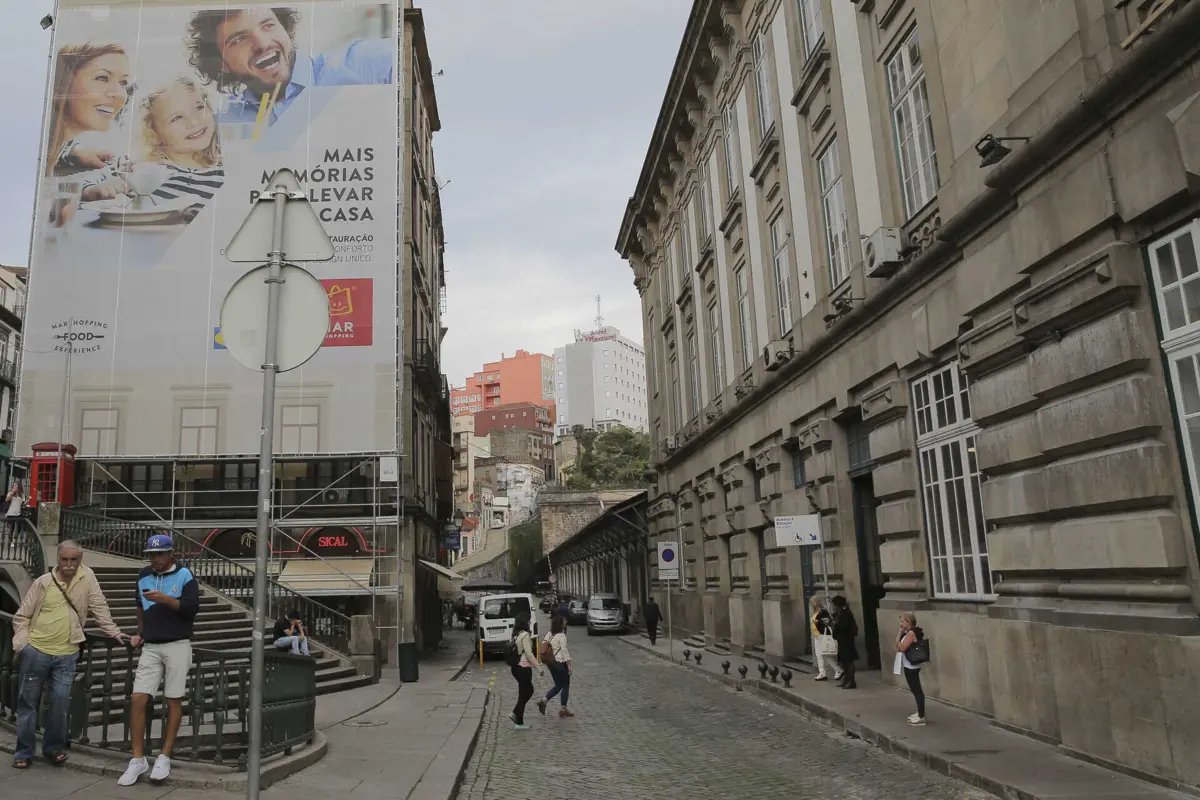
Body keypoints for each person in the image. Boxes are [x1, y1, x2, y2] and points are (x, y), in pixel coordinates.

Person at [11, 541, 127, 770]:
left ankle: (53, 748)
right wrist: (23, 645)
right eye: (65, 559)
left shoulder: (87, 578)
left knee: (60, 702)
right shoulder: (43, 583)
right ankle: (24, 752)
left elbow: (99, 606)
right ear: (58, 560)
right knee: (28, 704)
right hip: (37, 651)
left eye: (74, 560)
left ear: (80, 560)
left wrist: (113, 631)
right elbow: (21, 616)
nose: (69, 564)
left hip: (67, 654)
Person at [184, 8, 394, 129]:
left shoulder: (368, 63)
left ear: (287, 30)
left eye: (268, 25)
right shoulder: (222, 128)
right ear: (222, 64)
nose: (262, 44)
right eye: (239, 39)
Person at [118, 535, 200, 786]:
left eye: (160, 554)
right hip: (151, 645)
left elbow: (191, 609)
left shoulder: (186, 575)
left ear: (171, 554)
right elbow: (139, 607)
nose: (156, 559)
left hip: (177, 643)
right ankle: (137, 758)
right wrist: (140, 633)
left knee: (174, 699)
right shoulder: (143, 575)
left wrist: (165, 599)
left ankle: (165, 755)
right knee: (138, 698)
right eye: (152, 555)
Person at [45, 43, 132, 181]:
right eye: (102, 78)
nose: (119, 94)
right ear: (64, 82)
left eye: (123, 83)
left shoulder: (54, 149)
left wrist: (74, 153)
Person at [136, 78, 225, 209]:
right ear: (153, 133)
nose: (194, 122)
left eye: (199, 107)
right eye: (177, 118)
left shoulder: (226, 173)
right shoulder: (144, 175)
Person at [508, 613, 542, 730]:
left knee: (524, 693)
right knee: (527, 692)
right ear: (524, 622)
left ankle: (516, 716)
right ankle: (517, 719)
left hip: (515, 667)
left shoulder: (515, 634)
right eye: (528, 621)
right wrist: (539, 667)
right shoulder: (525, 635)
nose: (529, 623)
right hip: (523, 667)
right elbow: (529, 654)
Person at [537, 615, 574, 719]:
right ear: (560, 624)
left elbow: (544, 645)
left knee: (558, 685)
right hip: (559, 662)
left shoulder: (549, 634)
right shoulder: (562, 636)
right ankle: (563, 708)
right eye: (564, 620)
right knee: (565, 684)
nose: (566, 622)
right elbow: (564, 651)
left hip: (551, 663)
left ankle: (544, 701)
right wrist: (569, 665)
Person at [897, 612, 927, 726]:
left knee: (917, 690)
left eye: (902, 621)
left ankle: (921, 716)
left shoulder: (910, 633)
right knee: (915, 690)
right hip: (910, 665)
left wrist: (899, 634)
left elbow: (901, 647)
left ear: (908, 622)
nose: (900, 623)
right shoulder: (910, 632)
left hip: (911, 666)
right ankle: (920, 712)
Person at [830, 595, 858, 690]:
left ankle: (851, 681)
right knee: (843, 661)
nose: (833, 606)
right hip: (842, 640)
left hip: (847, 640)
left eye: (834, 605)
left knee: (848, 661)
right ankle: (846, 680)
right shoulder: (841, 612)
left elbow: (842, 626)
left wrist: (833, 623)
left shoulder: (845, 612)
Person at [809, 595, 839, 682]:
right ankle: (822, 673)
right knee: (819, 655)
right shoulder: (815, 612)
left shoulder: (823, 612)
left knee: (826, 654)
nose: (811, 604)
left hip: (823, 635)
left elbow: (827, 622)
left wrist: (818, 621)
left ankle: (838, 670)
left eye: (812, 603)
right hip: (817, 636)